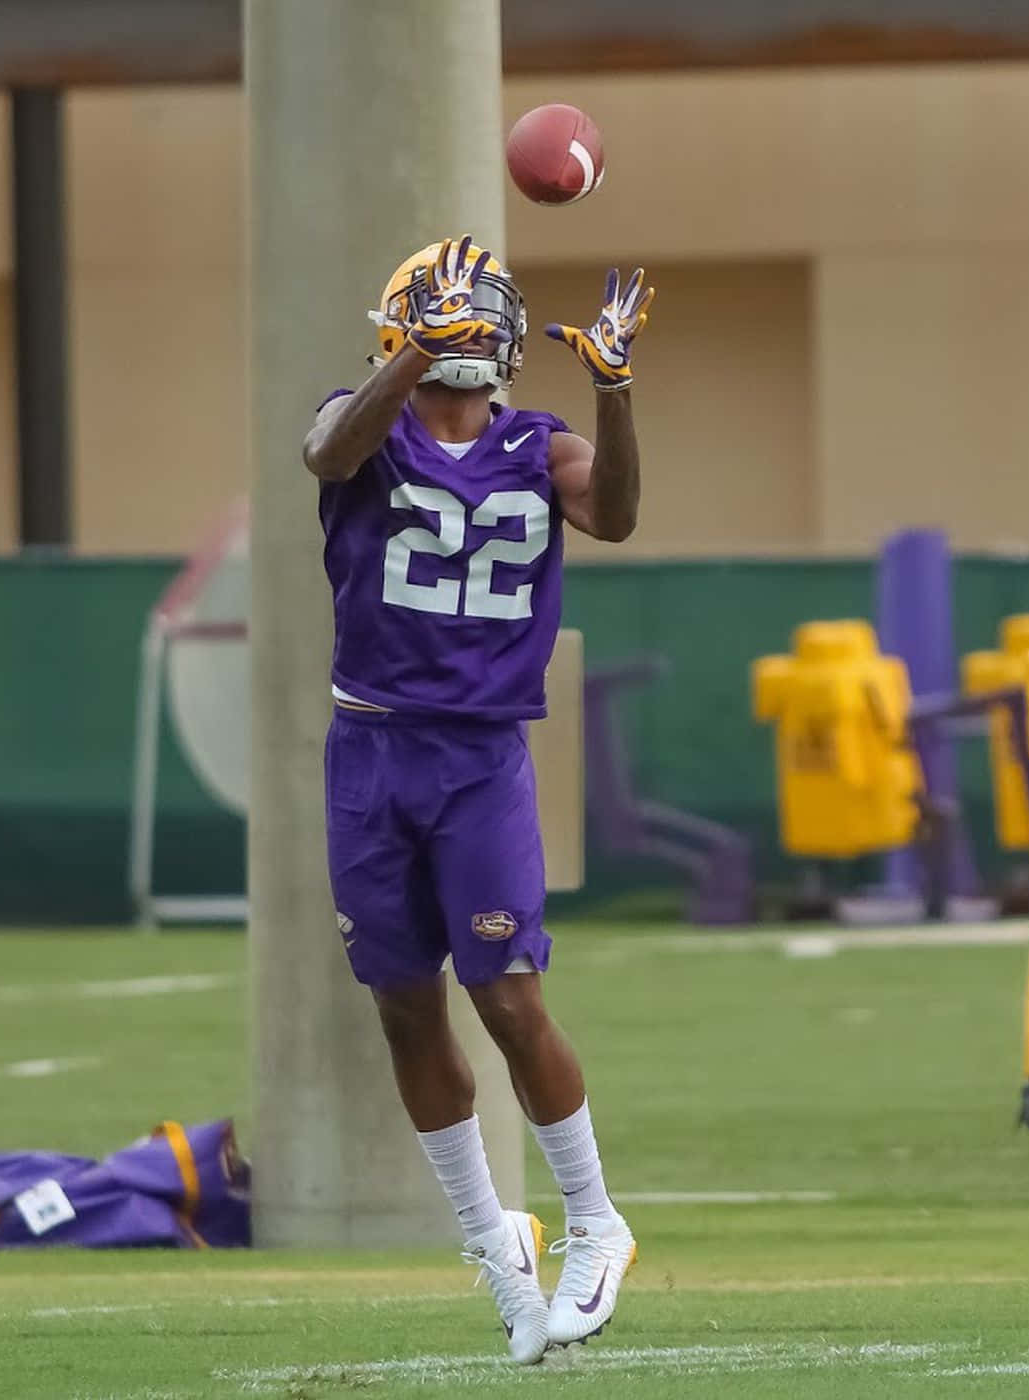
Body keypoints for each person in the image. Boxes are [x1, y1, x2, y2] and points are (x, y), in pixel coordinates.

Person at [303, 235, 654, 1365]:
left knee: (506, 994)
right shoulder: (368, 419)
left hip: (480, 759)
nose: (467, 333)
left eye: (473, 316)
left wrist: (612, 390)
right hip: (368, 751)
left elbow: (615, 514)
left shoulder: (533, 443)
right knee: (405, 1006)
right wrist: (407, 361)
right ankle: (492, 1242)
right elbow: (325, 452)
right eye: (438, 316)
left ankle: (595, 1219)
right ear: (400, 322)